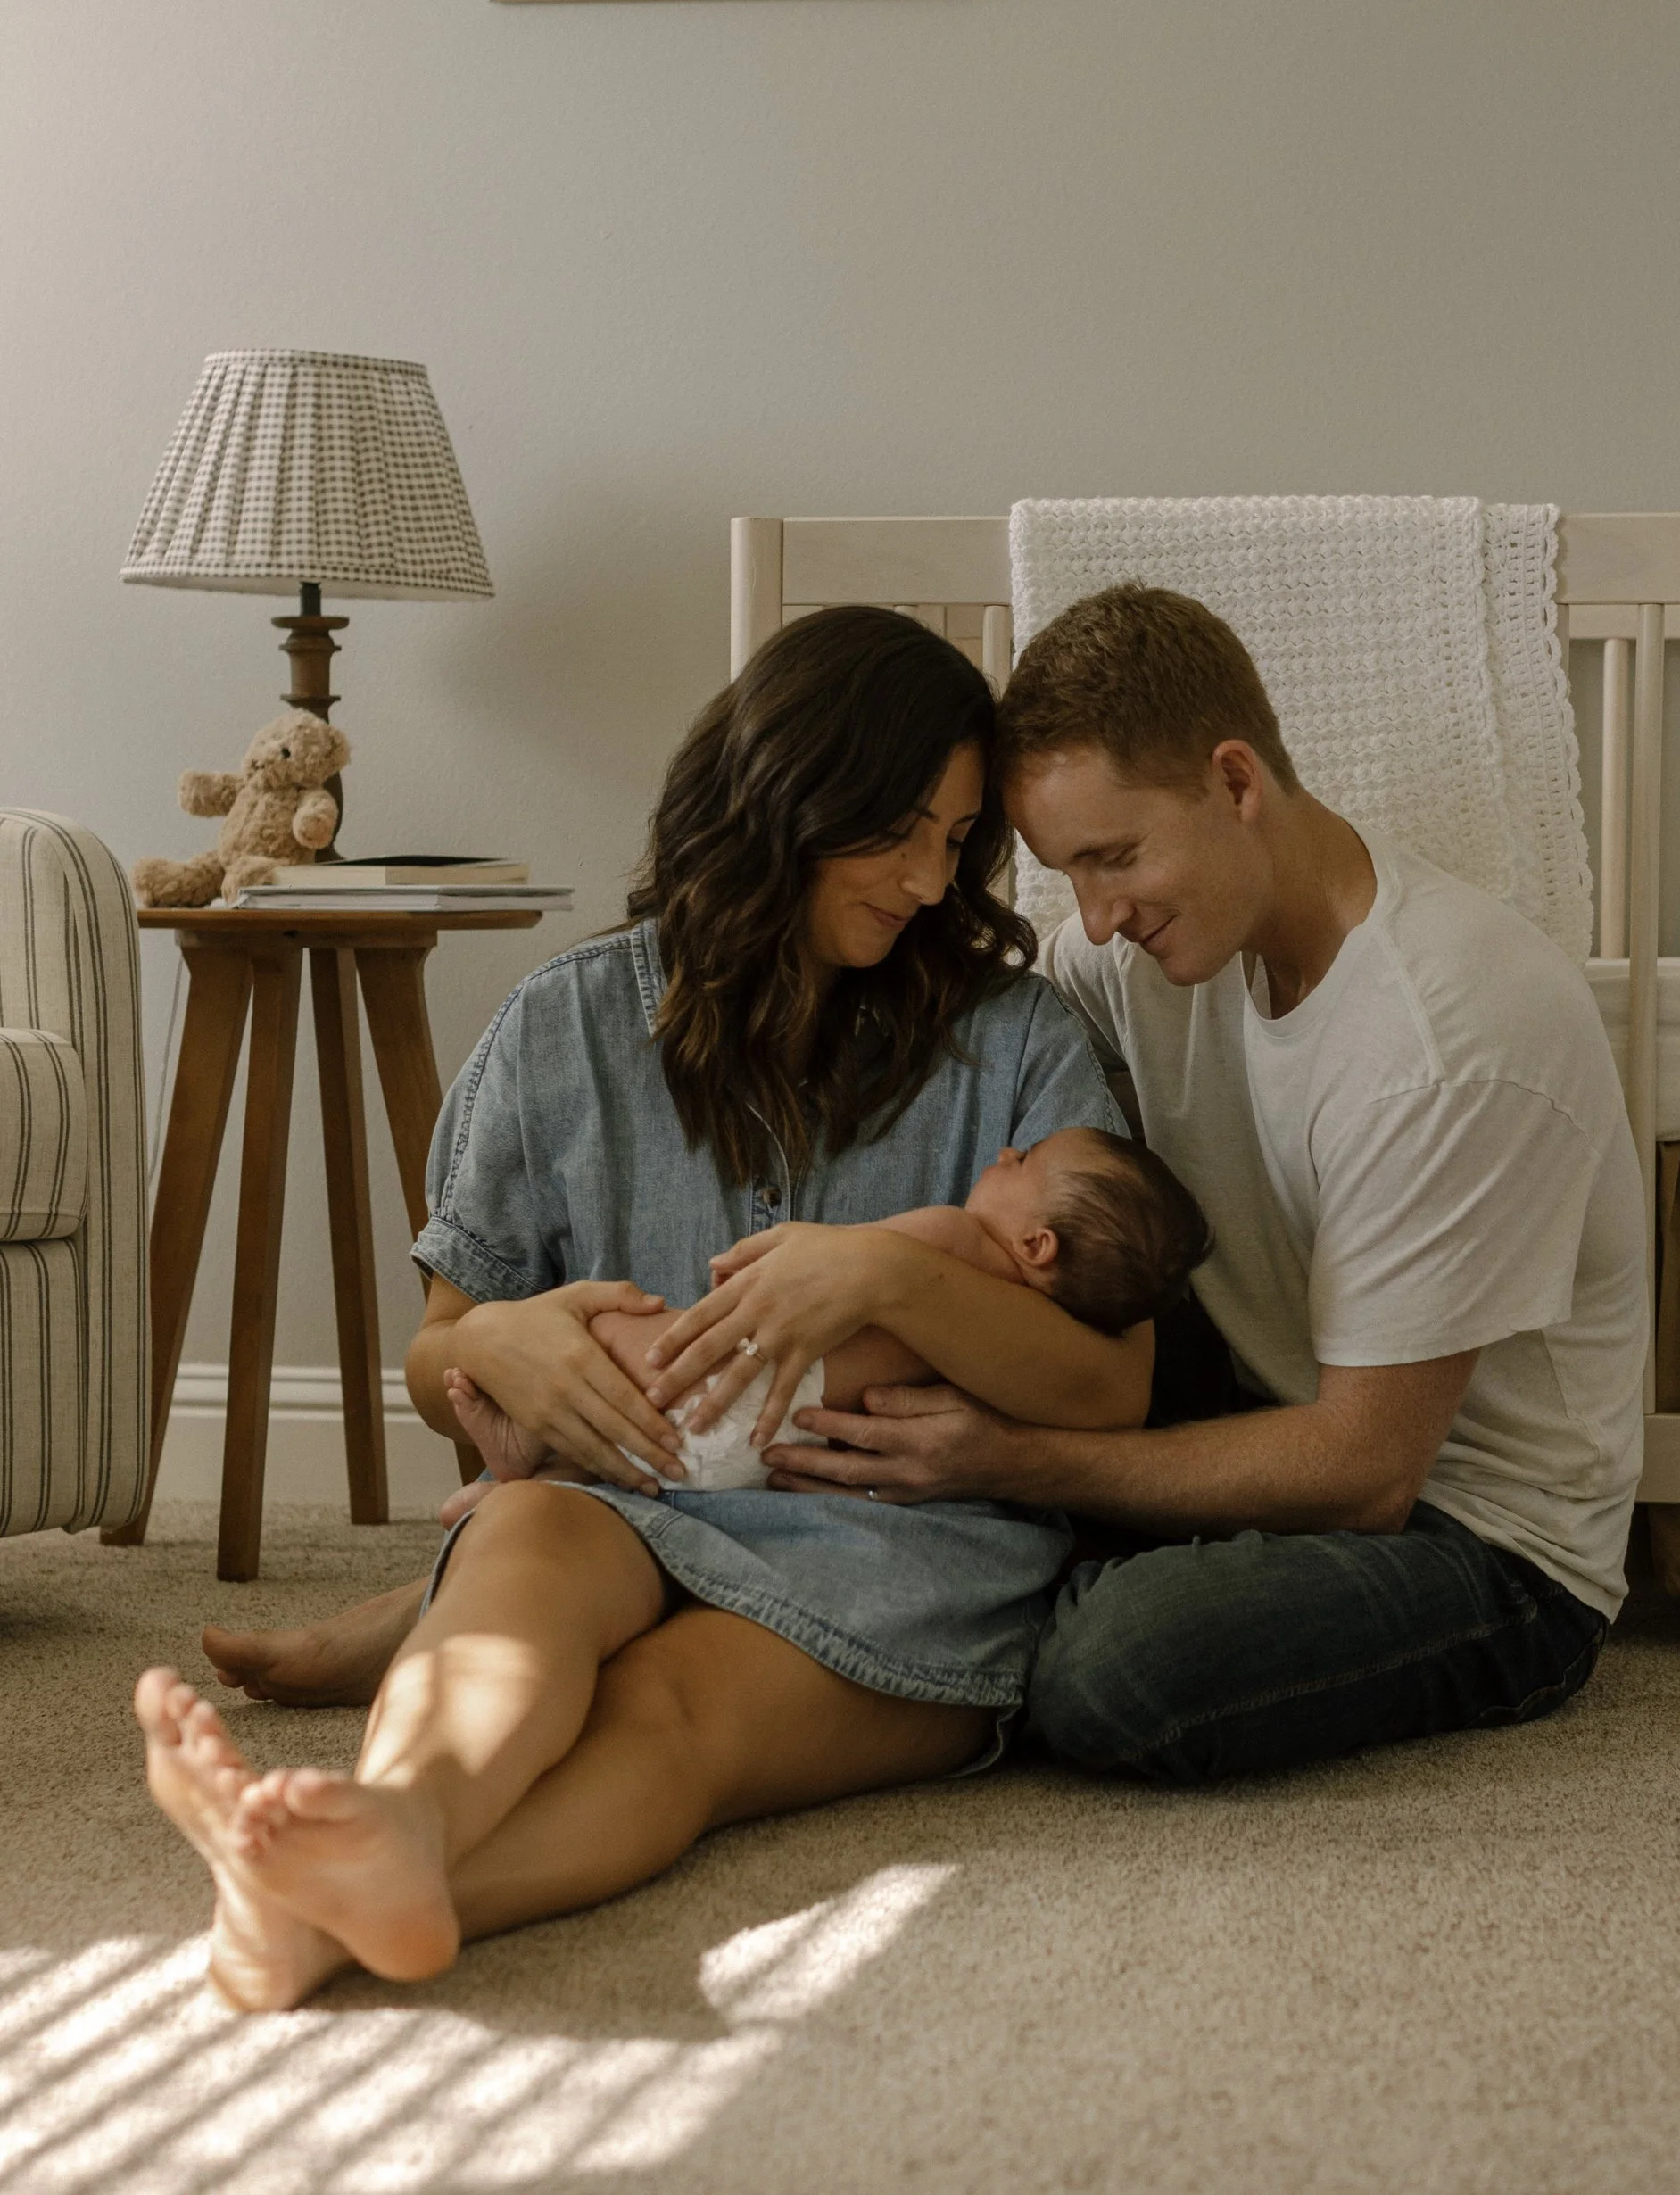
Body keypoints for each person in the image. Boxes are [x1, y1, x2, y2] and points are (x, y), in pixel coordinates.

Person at [137, 608, 1135, 2009]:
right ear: (789, 793)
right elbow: (435, 1362)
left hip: (907, 1554)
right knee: (526, 1539)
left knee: (669, 1710)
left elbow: (1114, 1386)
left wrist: (893, 1272)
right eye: (898, 830)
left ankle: (337, 1910)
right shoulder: (561, 1030)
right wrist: (491, 1344)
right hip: (629, 1500)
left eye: (957, 843)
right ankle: (396, 1825)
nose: (929, 878)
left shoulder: (1019, 1042)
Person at [769, 584, 1651, 1785]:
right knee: (993, 1252)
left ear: (1237, 783)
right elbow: (952, 1052)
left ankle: (972, 1605)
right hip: (1235, 1408)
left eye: (1115, 857)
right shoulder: (1138, 956)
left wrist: (1005, 1459)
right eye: (1065, 872)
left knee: (1124, 1669)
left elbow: (1363, 1471)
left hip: (1470, 1535)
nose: (1095, 916)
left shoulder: (1449, 1039)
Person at [440, 1125, 1209, 1506]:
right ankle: (530, 1483)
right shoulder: (1015, 1343)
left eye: (1027, 1162)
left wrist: (751, 1266)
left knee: (608, 1330)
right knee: (639, 1452)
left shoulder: (956, 1241)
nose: (1005, 1152)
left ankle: (529, 1445)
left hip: (754, 1375)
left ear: (1039, 1243)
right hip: (774, 1446)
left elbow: (831, 1272)